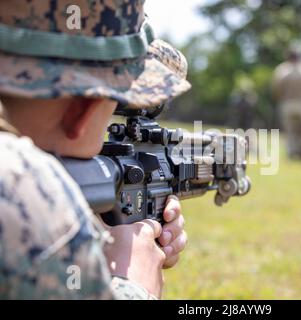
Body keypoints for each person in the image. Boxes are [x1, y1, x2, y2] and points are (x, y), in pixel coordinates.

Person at [0, 0, 190, 299]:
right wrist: (134, 284)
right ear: (81, 112)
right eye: (114, 104)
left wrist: (83, 245)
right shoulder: (20, 183)